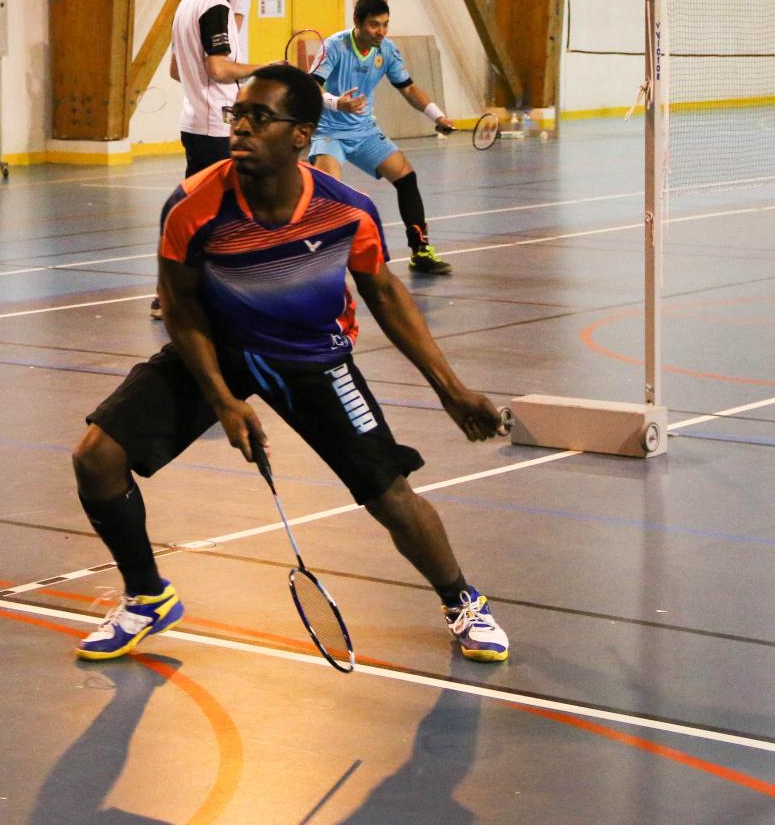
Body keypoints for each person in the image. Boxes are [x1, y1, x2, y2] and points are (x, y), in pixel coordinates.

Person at [70, 64, 511, 664]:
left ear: (301, 134)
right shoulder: (193, 206)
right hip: (223, 348)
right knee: (97, 457)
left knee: (389, 493)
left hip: (314, 356)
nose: (241, 128)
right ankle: (148, 596)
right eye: (238, 115)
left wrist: (450, 389)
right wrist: (222, 398)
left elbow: (384, 293)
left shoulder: (346, 210)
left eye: (260, 118)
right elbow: (179, 304)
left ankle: (462, 600)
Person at [308, 0, 458, 275]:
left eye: (385, 24)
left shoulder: (386, 50)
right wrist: (338, 103)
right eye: (374, 25)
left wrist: (437, 116)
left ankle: (420, 251)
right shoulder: (335, 46)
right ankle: (319, 257)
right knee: (329, 191)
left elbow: (408, 88)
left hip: (364, 131)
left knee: (406, 177)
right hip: (329, 132)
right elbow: (310, 86)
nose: (381, 31)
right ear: (357, 22)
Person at [155, 0, 260, 319]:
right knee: (223, 212)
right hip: (215, 127)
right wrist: (264, 69)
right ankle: (213, 292)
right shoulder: (215, 7)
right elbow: (217, 68)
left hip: (195, 123)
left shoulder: (186, 4)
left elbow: (176, 69)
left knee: (193, 212)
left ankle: (168, 294)